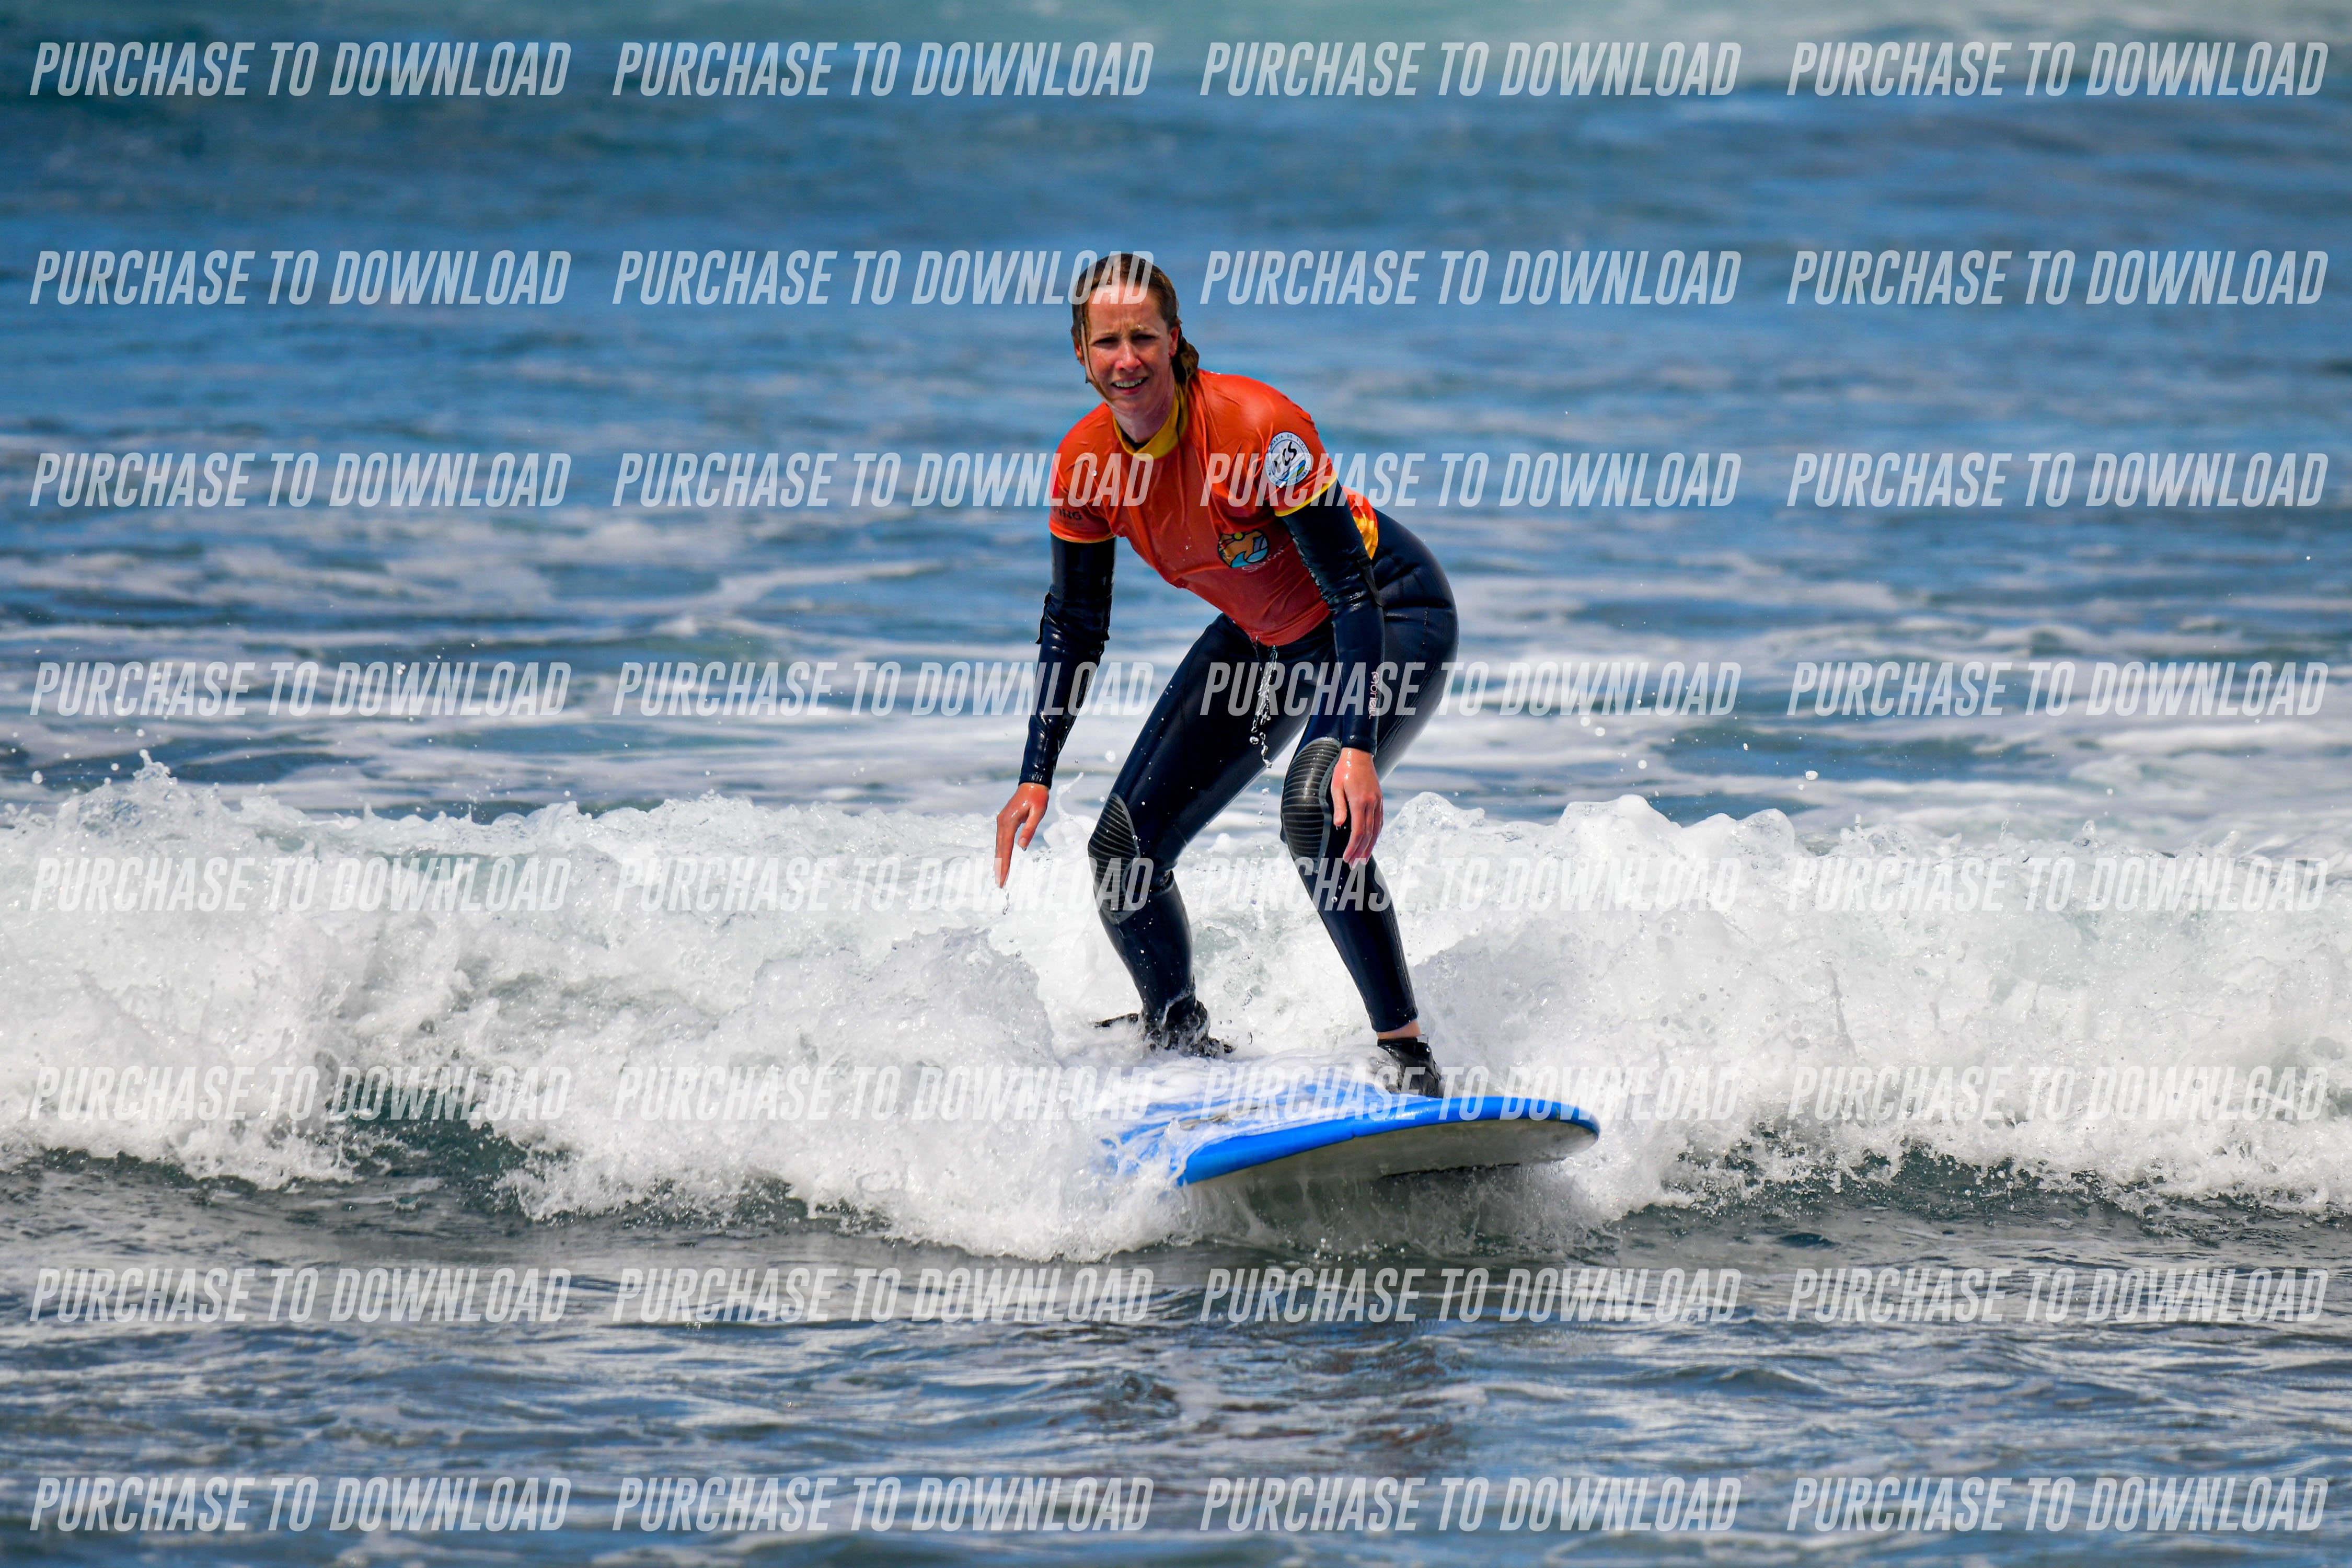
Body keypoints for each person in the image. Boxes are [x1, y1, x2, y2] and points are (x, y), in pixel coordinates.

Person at [993, 254, 1458, 1096]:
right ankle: (1178, 1038)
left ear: (1174, 341)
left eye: (1143, 338)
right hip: (1267, 633)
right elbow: (1076, 624)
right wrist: (1036, 772)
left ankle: (1408, 1055)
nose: (1127, 359)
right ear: (1082, 356)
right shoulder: (1084, 464)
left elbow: (1351, 595)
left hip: (1388, 616)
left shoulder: (1257, 430)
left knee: (1317, 811)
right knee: (1124, 852)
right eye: (1107, 342)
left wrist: (1357, 745)